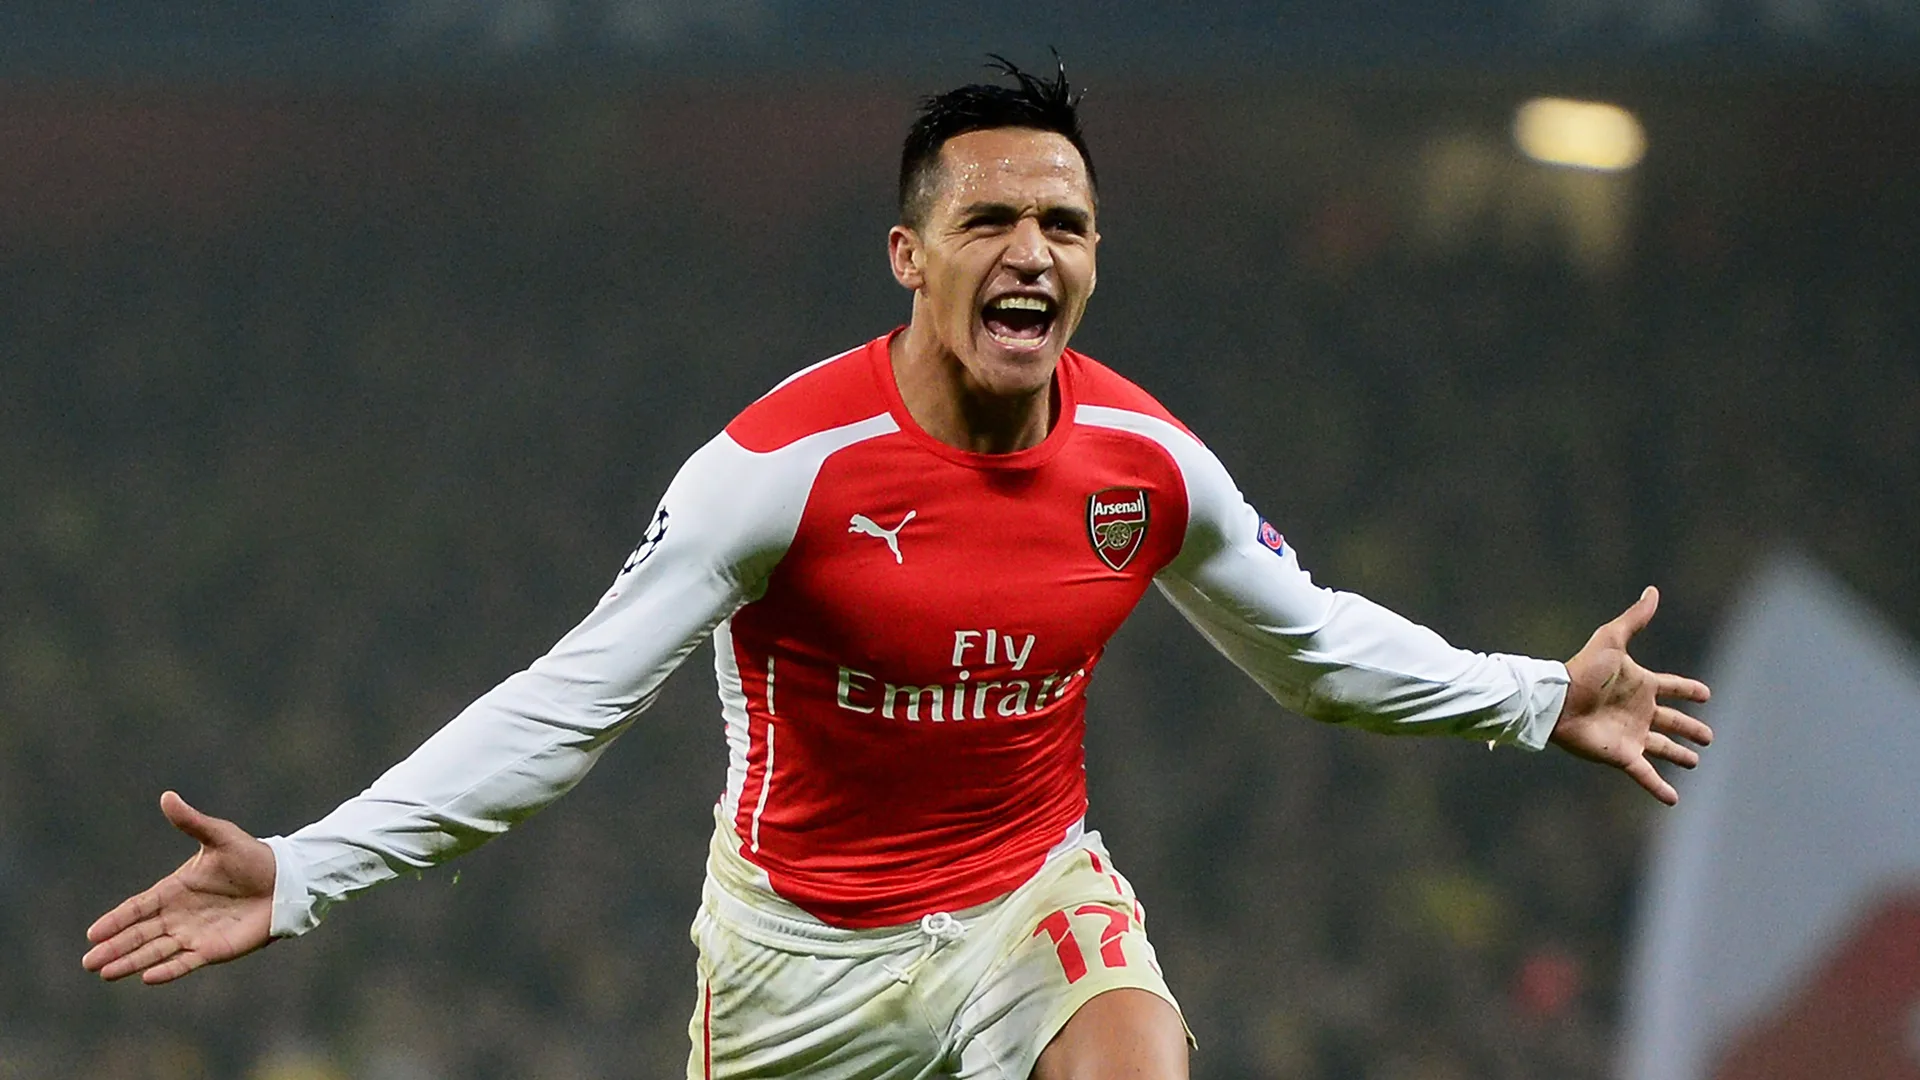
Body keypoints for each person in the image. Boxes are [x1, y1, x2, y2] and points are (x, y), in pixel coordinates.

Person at [82, 58, 1712, 1079]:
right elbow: (563, 709)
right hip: (802, 959)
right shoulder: (776, 471)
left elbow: (1309, 647)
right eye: (993, 220)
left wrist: (1530, 699)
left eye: (1065, 226)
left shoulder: (1145, 463)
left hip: (1031, 902)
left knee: (1137, 1062)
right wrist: (307, 872)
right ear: (910, 256)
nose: (1033, 254)